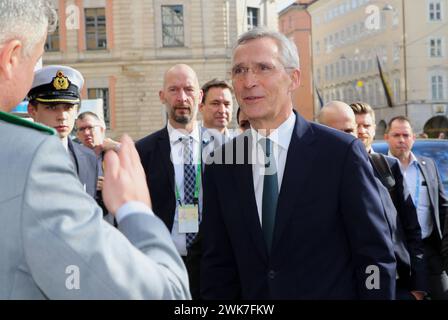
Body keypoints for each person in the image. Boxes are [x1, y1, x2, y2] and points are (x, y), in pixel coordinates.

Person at [0, 0, 189, 299]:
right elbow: (165, 294)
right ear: (11, 57)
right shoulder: (32, 156)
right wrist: (135, 209)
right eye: (34, 59)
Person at [200, 28, 396, 299]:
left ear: (294, 78)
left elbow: (374, 255)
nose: (248, 81)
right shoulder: (221, 164)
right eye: (239, 70)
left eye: (263, 68)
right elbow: (216, 265)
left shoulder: (340, 153)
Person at [320, 101, 426, 300]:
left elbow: (411, 228)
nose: (357, 133)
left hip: (394, 284)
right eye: (344, 130)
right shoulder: (313, 176)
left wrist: (417, 288)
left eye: (356, 128)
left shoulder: (387, 167)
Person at [136, 64, 204, 299]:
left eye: (188, 89)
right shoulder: (143, 151)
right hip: (161, 266)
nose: (182, 97)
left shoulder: (223, 150)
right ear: (162, 96)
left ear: (200, 96)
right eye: (174, 90)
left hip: (212, 267)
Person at [385, 116, 448, 299]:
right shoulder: (379, 166)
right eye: (396, 135)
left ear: (413, 137)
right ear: (387, 137)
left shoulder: (428, 165)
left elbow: (443, 207)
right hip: (398, 251)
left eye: (406, 135)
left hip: (429, 248)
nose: (401, 140)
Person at [27, 65, 99, 199]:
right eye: (52, 107)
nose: (62, 116)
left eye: (68, 107)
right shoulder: (15, 156)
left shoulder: (89, 158)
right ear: (32, 110)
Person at [76, 111, 120, 223]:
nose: (86, 133)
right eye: (81, 129)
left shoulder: (114, 153)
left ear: (101, 129)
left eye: (90, 127)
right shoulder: (73, 156)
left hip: (113, 221)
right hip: (84, 219)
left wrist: (117, 146)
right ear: (77, 135)